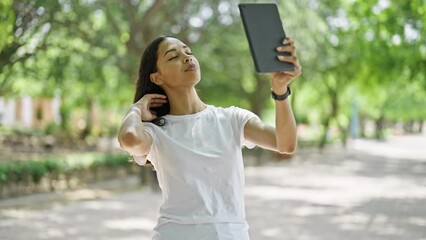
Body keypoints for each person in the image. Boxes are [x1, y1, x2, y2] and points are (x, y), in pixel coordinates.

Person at [118, 35, 301, 240]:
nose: (187, 58)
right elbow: (130, 139)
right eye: (173, 57)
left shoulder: (232, 119)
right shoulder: (157, 132)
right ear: (157, 77)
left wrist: (280, 91)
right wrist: (136, 109)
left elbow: (285, 144)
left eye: (188, 52)